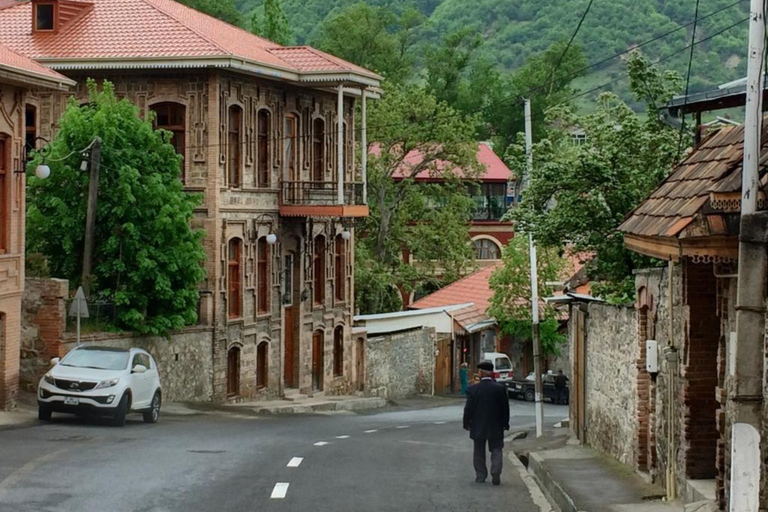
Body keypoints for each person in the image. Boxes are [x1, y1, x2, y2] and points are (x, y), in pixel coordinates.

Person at [463, 361, 510, 486]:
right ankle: (496, 472)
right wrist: (505, 423)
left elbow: (468, 408)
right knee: (496, 448)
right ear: (492, 373)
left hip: (478, 424)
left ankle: (481, 475)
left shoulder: (472, 390)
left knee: (478, 449)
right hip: (496, 425)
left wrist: (466, 422)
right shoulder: (500, 389)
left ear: (480, 373)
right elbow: (505, 408)